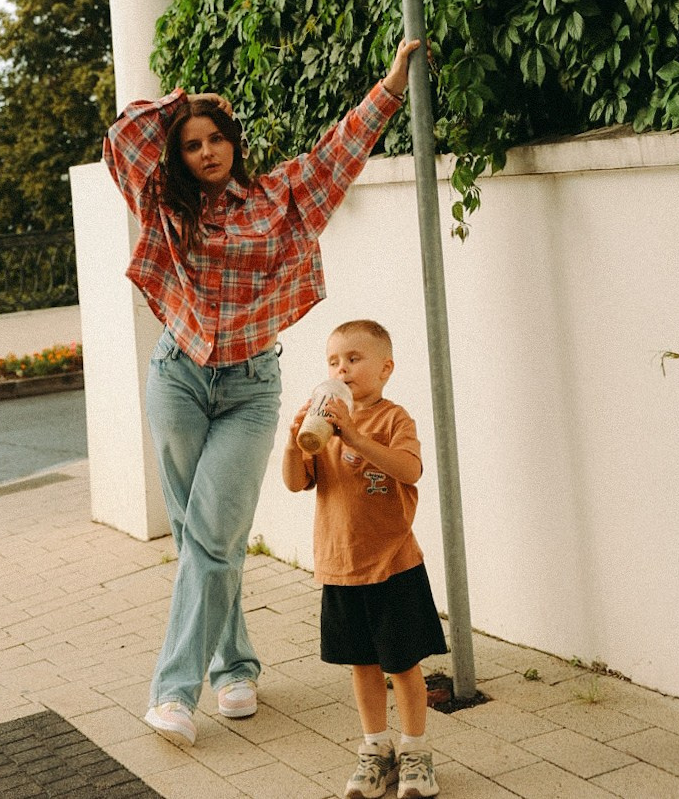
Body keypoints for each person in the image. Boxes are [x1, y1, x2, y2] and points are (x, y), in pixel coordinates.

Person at [102, 40, 421, 749]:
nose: (207, 151)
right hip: (176, 376)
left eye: (216, 138)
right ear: (177, 154)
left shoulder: (280, 197)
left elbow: (342, 149)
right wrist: (174, 105)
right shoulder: (161, 202)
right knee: (198, 536)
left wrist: (391, 84)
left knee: (212, 532)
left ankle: (174, 692)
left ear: (234, 143)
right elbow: (121, 141)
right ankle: (234, 664)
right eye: (191, 143)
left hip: (250, 388)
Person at [283, 319, 446, 799]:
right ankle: (376, 750)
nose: (342, 369)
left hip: (393, 563)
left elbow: (410, 470)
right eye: (333, 361)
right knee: (362, 663)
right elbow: (296, 482)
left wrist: (353, 436)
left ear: (385, 368)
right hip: (341, 565)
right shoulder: (322, 426)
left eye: (354, 359)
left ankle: (415, 749)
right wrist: (293, 441)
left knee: (402, 663)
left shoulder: (394, 419)